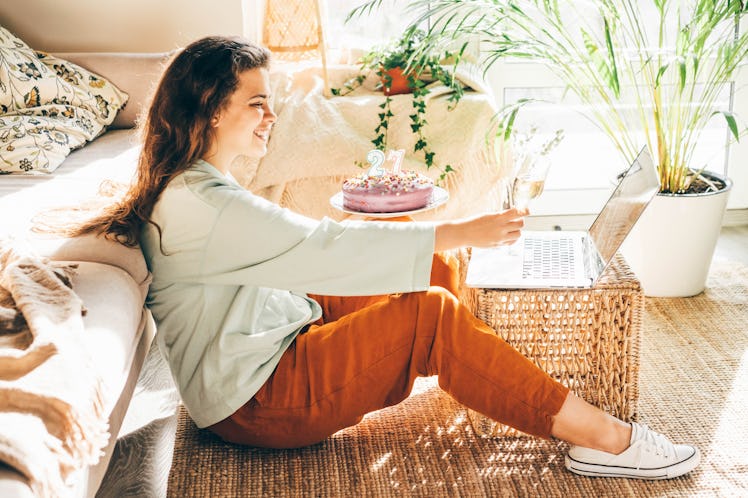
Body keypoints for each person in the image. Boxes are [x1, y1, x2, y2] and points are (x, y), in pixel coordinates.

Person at [74, 35, 699, 480]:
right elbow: (320, 248)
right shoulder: (203, 204)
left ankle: (509, 382)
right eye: (256, 102)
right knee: (428, 314)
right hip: (255, 401)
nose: (271, 115)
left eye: (270, 100)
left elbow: (297, 247)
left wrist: (449, 241)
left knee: (437, 273)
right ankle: (605, 441)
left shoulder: (200, 186)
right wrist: (461, 228)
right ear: (211, 108)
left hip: (268, 331)